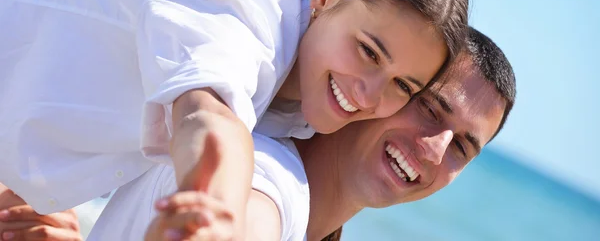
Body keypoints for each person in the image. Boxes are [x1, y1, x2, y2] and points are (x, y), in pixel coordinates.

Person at [0, 0, 469, 237]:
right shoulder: (252, 7)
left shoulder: (305, 95)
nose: (369, 95)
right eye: (368, 52)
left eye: (403, 86)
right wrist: (219, 209)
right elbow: (206, 117)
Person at [0, 27, 513, 241]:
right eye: (429, 107)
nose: (436, 147)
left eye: (464, 145)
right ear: (386, 90)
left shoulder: (308, 210)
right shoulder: (268, 176)